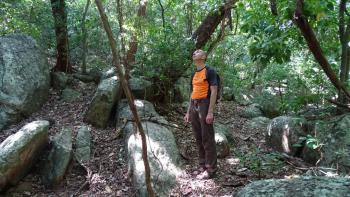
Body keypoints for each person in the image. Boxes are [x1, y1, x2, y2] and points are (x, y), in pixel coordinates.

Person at [184, 49, 218, 179]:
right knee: (198, 137)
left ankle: (211, 169)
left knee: (207, 137)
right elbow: (192, 94)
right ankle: (202, 165)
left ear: (204, 57)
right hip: (194, 105)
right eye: (194, 52)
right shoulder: (194, 73)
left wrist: (210, 112)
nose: (194, 53)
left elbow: (214, 91)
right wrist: (188, 112)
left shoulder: (210, 71)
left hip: (205, 104)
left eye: (198, 52)